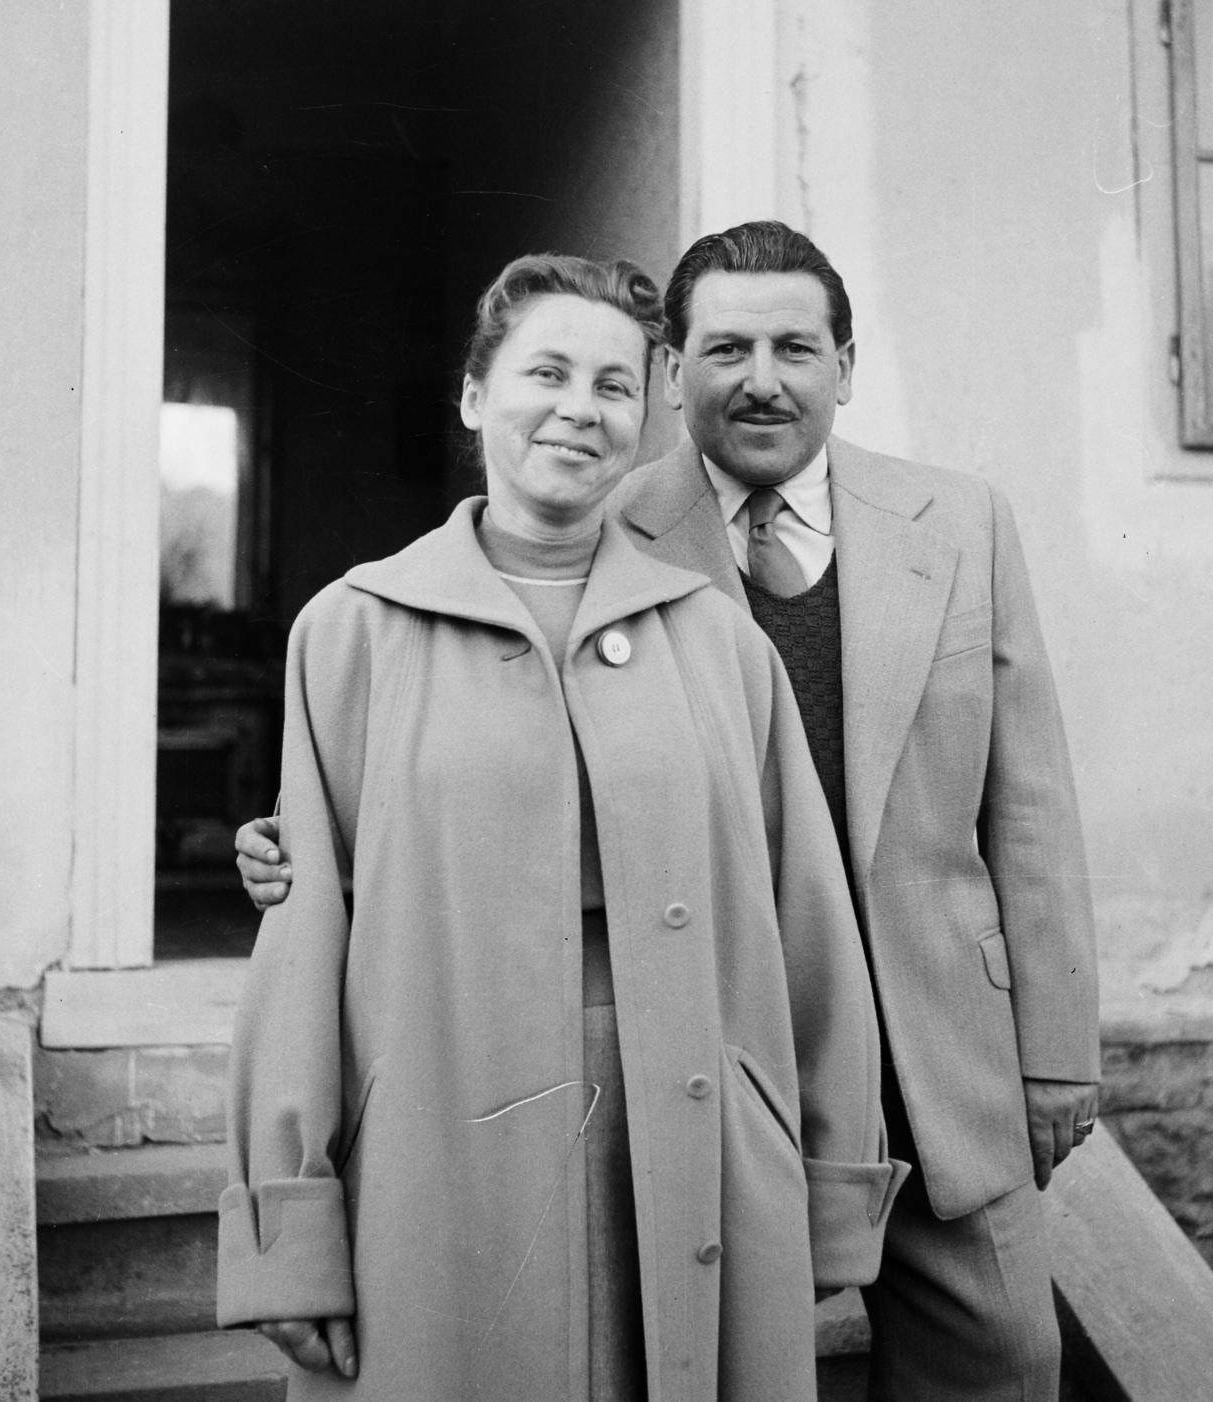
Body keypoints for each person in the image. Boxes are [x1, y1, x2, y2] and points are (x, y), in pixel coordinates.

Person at [241, 223, 1101, 1401]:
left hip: (898, 1055)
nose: (762, 379)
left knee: (1002, 1358)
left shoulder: (925, 537)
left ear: (844, 366)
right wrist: (309, 844)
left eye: (795, 347)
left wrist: (1046, 1056)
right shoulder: (463, 583)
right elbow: (367, 856)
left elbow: (1023, 810)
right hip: (622, 1055)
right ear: (675, 378)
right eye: (726, 350)